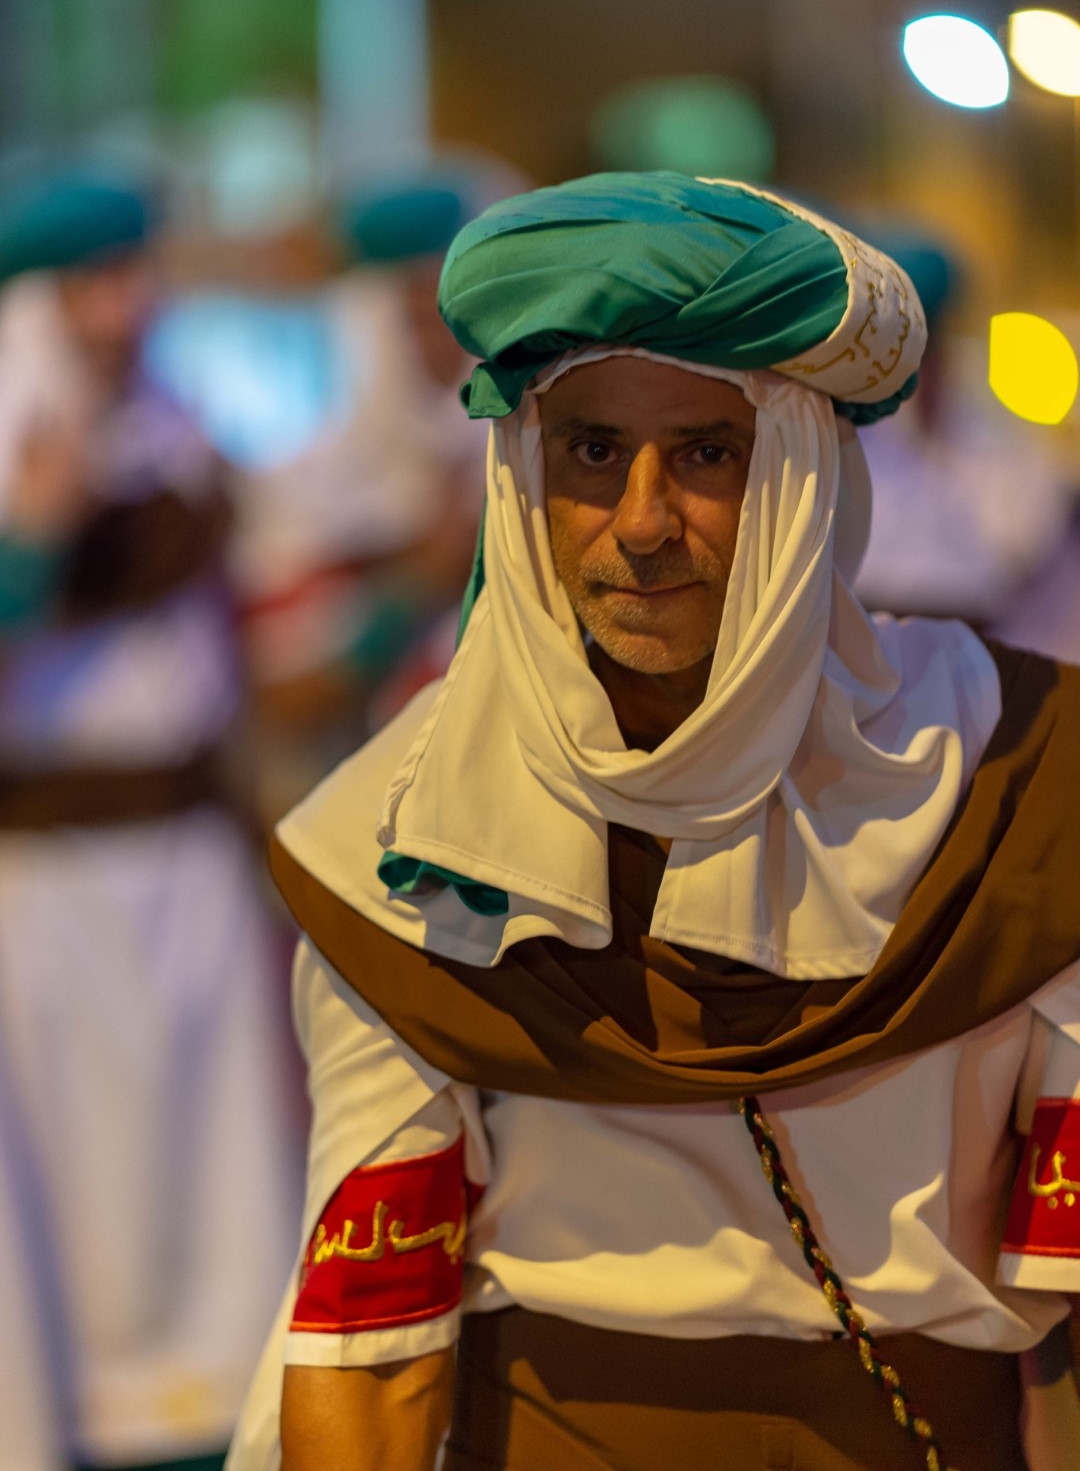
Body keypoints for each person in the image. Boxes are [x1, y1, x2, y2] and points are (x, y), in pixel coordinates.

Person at [229, 173, 1080, 1471]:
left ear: (806, 474)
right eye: (591, 453)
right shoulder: (403, 843)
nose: (639, 524)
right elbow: (372, 1358)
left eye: (705, 454)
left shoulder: (1020, 781)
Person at [0, 171, 300, 1471]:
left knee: (215, 1182)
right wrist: (32, 541)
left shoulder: (178, 438)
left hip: (190, 863)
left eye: (134, 278)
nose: (123, 312)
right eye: (90, 286)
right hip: (46, 887)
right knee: (82, 1196)